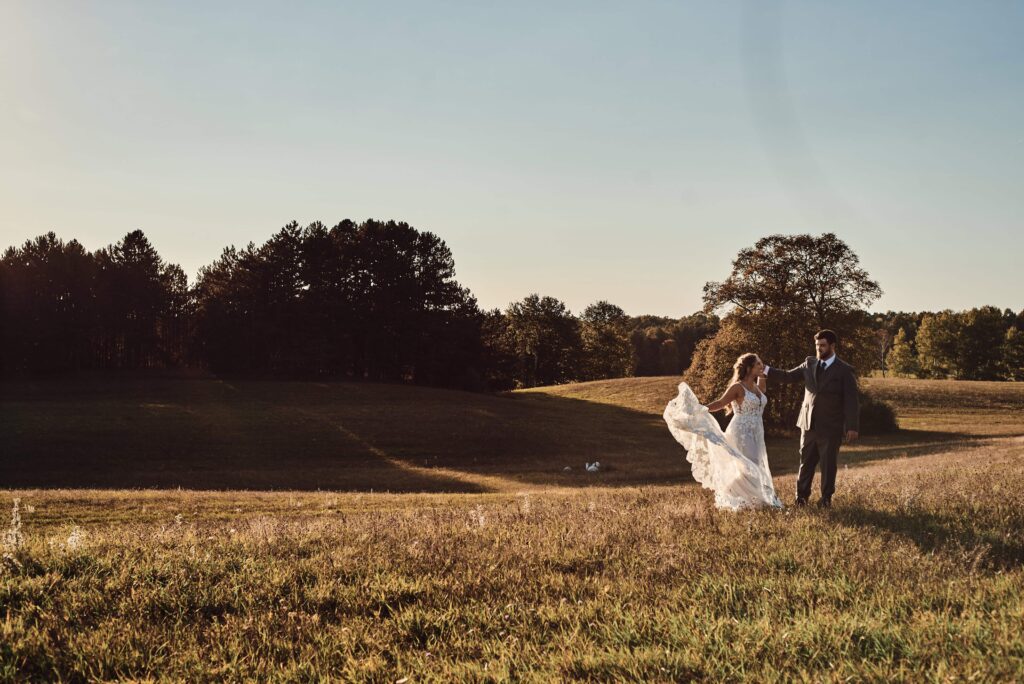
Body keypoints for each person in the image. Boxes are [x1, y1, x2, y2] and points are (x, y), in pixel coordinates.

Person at [663, 353, 783, 511]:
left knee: (756, 464)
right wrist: (701, 410)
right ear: (749, 368)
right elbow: (720, 403)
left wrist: (763, 375)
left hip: (757, 432)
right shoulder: (737, 387)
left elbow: (762, 392)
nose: (762, 366)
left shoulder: (757, 386)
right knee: (750, 464)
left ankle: (753, 499)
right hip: (741, 431)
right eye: (758, 364)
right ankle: (735, 494)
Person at [763, 329, 859, 508]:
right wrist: (766, 369)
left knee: (828, 466)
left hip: (831, 427)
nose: (819, 349)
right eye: (817, 346)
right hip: (808, 425)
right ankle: (801, 499)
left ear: (832, 346)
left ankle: (825, 500)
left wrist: (852, 426)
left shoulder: (845, 371)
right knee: (805, 463)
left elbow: (851, 401)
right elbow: (787, 376)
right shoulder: (809, 363)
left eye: (823, 346)